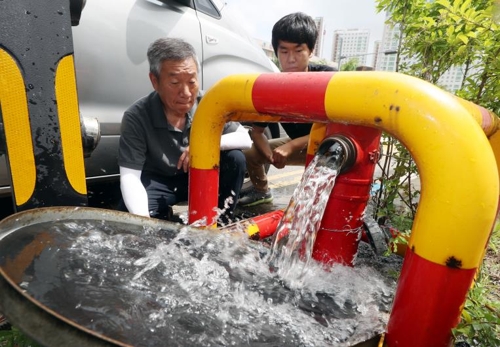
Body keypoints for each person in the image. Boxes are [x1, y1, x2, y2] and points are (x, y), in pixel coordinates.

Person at [118, 37, 251, 224]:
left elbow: (245, 139)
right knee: (127, 213)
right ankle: (162, 219)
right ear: (154, 81)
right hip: (159, 181)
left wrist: (201, 146)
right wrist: (143, 224)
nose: (186, 93)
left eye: (192, 82)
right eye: (174, 83)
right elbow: (130, 176)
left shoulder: (209, 103)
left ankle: (221, 221)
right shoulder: (137, 115)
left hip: (199, 175)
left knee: (235, 158)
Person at [238, 12, 335, 207]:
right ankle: (261, 191)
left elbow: (337, 129)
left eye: (298, 51)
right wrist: (270, 156)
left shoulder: (328, 79)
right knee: (248, 153)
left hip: (328, 145)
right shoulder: (272, 87)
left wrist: (291, 146)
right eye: (284, 51)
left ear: (311, 51)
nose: (291, 59)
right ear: (276, 52)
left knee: (321, 187)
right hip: (299, 145)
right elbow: (257, 133)